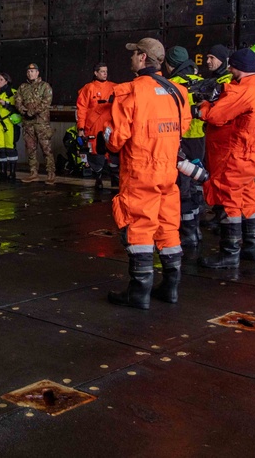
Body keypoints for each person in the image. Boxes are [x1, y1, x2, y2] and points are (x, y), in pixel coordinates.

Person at [106, 38, 190, 310]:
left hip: (141, 170)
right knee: (168, 226)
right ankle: (171, 287)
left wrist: (103, 138)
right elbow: (183, 128)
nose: (130, 58)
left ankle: (139, 291)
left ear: (143, 58)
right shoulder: (178, 90)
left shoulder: (129, 91)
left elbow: (117, 139)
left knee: (140, 226)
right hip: (168, 171)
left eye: (134, 54)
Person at [196, 49, 255, 269]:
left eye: (231, 66)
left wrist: (204, 104)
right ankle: (252, 248)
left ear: (237, 66)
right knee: (247, 199)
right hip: (249, 154)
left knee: (230, 202)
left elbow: (215, 117)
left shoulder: (241, 92)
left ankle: (229, 253)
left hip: (233, 156)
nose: (229, 70)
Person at [165, 46, 206, 247]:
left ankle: (188, 233)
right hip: (201, 139)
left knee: (183, 186)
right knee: (197, 183)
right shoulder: (203, 82)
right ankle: (196, 228)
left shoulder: (171, 85)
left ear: (171, 65)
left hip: (180, 140)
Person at [75, 62, 117, 190]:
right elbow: (81, 109)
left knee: (112, 152)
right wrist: (81, 128)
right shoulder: (88, 89)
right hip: (93, 127)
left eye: (106, 71)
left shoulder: (115, 87)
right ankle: (98, 178)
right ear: (96, 73)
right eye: (102, 71)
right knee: (94, 153)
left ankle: (115, 179)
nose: (105, 74)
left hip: (109, 126)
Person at [14, 63, 55, 184]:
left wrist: (31, 112)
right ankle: (33, 173)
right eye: (28, 72)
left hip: (41, 123)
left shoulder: (45, 86)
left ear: (37, 73)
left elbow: (46, 102)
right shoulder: (22, 87)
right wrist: (23, 111)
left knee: (46, 148)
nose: (30, 73)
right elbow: (17, 101)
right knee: (30, 148)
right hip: (27, 123)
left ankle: (51, 173)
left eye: (33, 71)